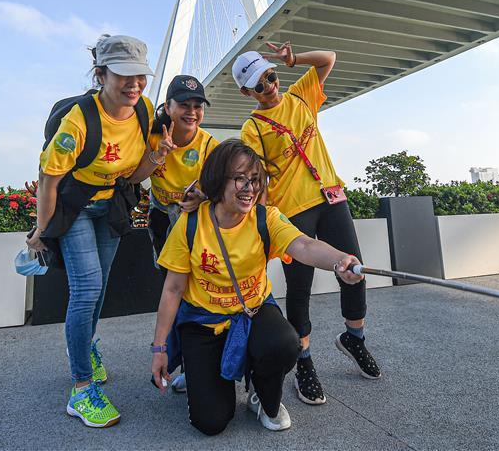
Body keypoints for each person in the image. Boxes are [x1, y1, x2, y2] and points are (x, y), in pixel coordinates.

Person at [149, 138, 365, 435]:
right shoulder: (190, 224)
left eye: (255, 179)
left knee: (285, 343)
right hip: (203, 321)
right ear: (218, 179)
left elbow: (303, 245)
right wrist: (159, 348)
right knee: (210, 422)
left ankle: (261, 394)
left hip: (252, 311)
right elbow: (173, 290)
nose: (249, 188)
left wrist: (340, 260)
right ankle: (201, 371)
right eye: (240, 178)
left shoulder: (267, 218)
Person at [27, 35, 176, 429]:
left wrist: (158, 156)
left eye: (140, 76)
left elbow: (135, 174)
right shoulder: (78, 121)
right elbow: (48, 182)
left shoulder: (143, 110)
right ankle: (81, 389)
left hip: (110, 207)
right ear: (101, 75)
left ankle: (85, 344)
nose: (135, 85)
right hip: (75, 207)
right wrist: (41, 231)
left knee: (101, 286)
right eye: (124, 75)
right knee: (87, 288)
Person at [232, 43, 381, 407]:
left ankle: (354, 339)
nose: (269, 86)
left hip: (332, 198)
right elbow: (257, 180)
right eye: (259, 85)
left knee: (354, 270)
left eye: (270, 76)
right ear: (247, 93)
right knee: (300, 289)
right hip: (292, 210)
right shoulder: (253, 128)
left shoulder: (300, 96)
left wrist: (292, 60)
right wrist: (261, 225)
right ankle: (304, 361)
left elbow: (329, 59)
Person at [146, 75, 219, 394]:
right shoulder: (150, 136)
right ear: (168, 106)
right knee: (171, 291)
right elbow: (134, 175)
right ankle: (172, 357)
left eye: (197, 106)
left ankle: (194, 364)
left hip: (194, 226)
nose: (192, 112)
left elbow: (220, 188)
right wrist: (157, 156)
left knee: (194, 293)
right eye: (184, 105)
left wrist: (202, 196)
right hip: (162, 221)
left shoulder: (209, 145)